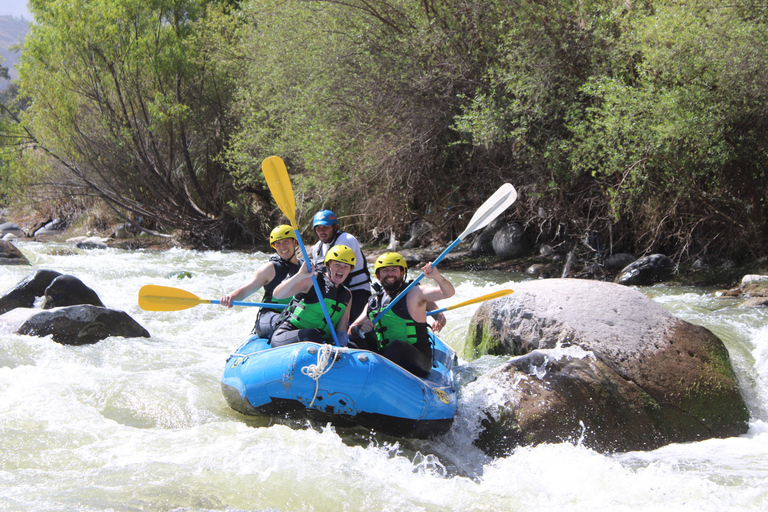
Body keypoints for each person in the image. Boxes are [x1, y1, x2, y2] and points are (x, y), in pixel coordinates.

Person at [348, 252, 455, 377]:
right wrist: (359, 328)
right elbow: (350, 330)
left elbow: (448, 293)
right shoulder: (373, 301)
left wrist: (437, 277)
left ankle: (380, 377)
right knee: (351, 344)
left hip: (418, 359)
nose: (390, 274)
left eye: (394, 269)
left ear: (402, 273)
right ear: (378, 275)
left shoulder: (415, 292)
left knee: (396, 346)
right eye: (385, 270)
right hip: (387, 357)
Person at [220, 225, 301, 338]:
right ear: (274, 246)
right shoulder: (269, 269)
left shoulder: (305, 267)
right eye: (278, 243)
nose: (282, 247)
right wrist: (230, 298)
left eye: (286, 241)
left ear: (295, 242)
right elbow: (245, 290)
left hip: (294, 315)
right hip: (269, 317)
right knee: (289, 323)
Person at [270, 244, 355, 347]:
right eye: (337, 264)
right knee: (313, 335)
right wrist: (300, 275)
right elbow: (277, 294)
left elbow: (341, 329)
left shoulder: (347, 295)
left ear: (350, 270)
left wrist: (340, 349)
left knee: (353, 346)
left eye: (346, 266)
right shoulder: (313, 280)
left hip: (318, 342)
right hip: (287, 335)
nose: (341, 269)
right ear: (328, 265)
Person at [310, 210, 371, 322]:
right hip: (335, 292)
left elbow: (338, 267)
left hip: (357, 290)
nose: (322, 231)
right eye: (318, 228)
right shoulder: (316, 248)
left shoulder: (347, 239)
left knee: (357, 326)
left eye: (325, 227)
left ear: (335, 227)